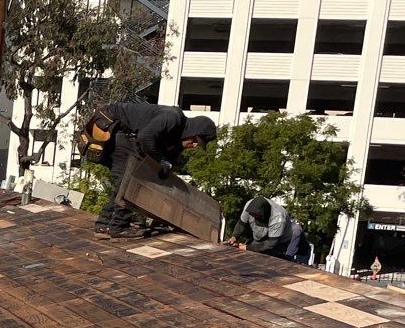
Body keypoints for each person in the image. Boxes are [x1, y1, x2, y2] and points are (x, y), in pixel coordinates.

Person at [92, 101, 217, 236]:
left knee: (128, 180)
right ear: (193, 131)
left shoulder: (176, 140)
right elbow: (145, 137)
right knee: (131, 179)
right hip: (114, 127)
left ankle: (104, 223)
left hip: (126, 135)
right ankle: (118, 226)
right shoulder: (173, 118)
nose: (194, 146)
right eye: (195, 141)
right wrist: (161, 160)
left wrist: (161, 217)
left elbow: (165, 171)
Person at [230, 194, 306, 261]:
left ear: (264, 213)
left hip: (278, 242)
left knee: (268, 261)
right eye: (252, 214)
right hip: (260, 237)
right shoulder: (249, 206)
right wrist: (234, 237)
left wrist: (247, 247)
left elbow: (270, 244)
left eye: (256, 215)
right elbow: (241, 224)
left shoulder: (278, 218)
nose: (253, 217)